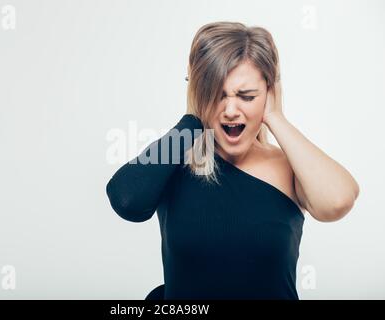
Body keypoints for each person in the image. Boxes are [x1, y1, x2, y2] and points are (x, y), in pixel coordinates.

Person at [106, 21, 360, 300]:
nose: (230, 110)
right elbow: (127, 200)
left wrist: (276, 117)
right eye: (216, 94)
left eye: (246, 96)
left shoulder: (288, 167)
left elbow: (337, 201)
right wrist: (193, 118)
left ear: (269, 93)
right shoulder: (174, 161)